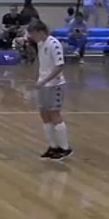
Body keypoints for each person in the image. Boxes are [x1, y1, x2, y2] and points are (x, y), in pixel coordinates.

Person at [26, 20, 72, 160]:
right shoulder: (41, 44)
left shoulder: (54, 44)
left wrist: (45, 80)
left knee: (54, 114)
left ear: (40, 32)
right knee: (44, 115)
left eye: (33, 33)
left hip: (55, 85)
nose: (32, 36)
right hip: (43, 85)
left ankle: (65, 148)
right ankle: (53, 146)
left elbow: (59, 66)